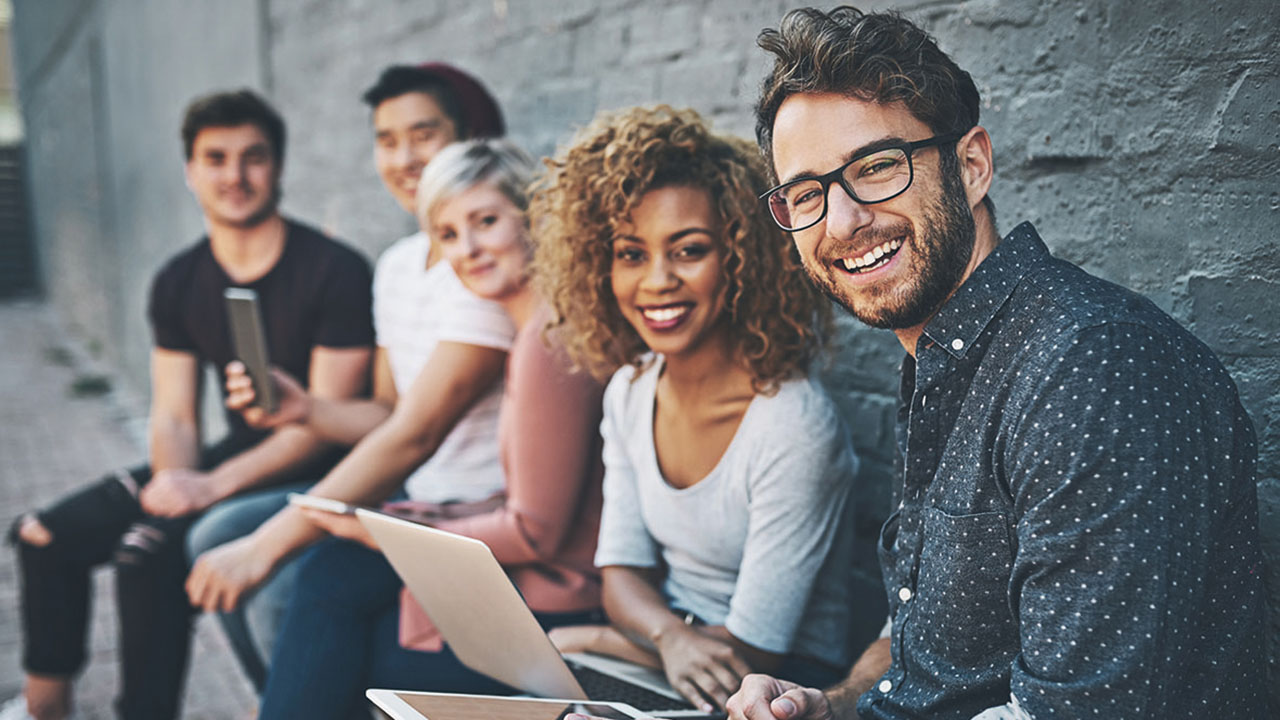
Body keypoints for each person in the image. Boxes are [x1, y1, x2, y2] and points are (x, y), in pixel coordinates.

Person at [725, 7, 1267, 720]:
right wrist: (832, 703)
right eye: (805, 194)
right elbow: (935, 635)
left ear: (971, 165)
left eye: (878, 167)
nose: (842, 222)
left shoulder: (1090, 367)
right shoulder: (950, 353)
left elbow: (1081, 709)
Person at [1, 89, 376, 720]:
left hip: (321, 464)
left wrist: (209, 487)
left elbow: (320, 426)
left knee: (144, 556)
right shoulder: (178, 280)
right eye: (216, 158)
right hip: (231, 457)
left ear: (278, 167)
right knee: (41, 536)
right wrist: (177, 477)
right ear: (190, 170)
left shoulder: (333, 270)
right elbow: (175, 415)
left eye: (253, 157)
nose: (234, 175)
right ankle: (44, 709)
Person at [254, 138, 607, 719]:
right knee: (330, 583)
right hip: (541, 580)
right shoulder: (536, 330)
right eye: (447, 234)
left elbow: (535, 533)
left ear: (534, 215)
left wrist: (385, 532)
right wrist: (400, 520)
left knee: (352, 642)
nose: (468, 249)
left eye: (486, 221)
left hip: (565, 600)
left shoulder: (548, 341)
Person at [183, 63, 510, 689]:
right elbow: (387, 412)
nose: (403, 158)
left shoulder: (482, 269)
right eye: (386, 140)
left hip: (458, 511)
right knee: (215, 534)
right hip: (405, 489)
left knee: (278, 576)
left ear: (470, 139)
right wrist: (302, 407)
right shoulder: (397, 265)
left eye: (422, 135)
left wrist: (271, 542)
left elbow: (415, 432)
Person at [532, 106, 859, 715]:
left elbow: (755, 647)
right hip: (667, 655)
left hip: (773, 685)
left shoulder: (792, 425)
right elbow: (621, 576)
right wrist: (669, 634)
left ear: (742, 262)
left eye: (688, 250)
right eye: (631, 254)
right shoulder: (630, 390)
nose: (657, 281)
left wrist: (592, 640)